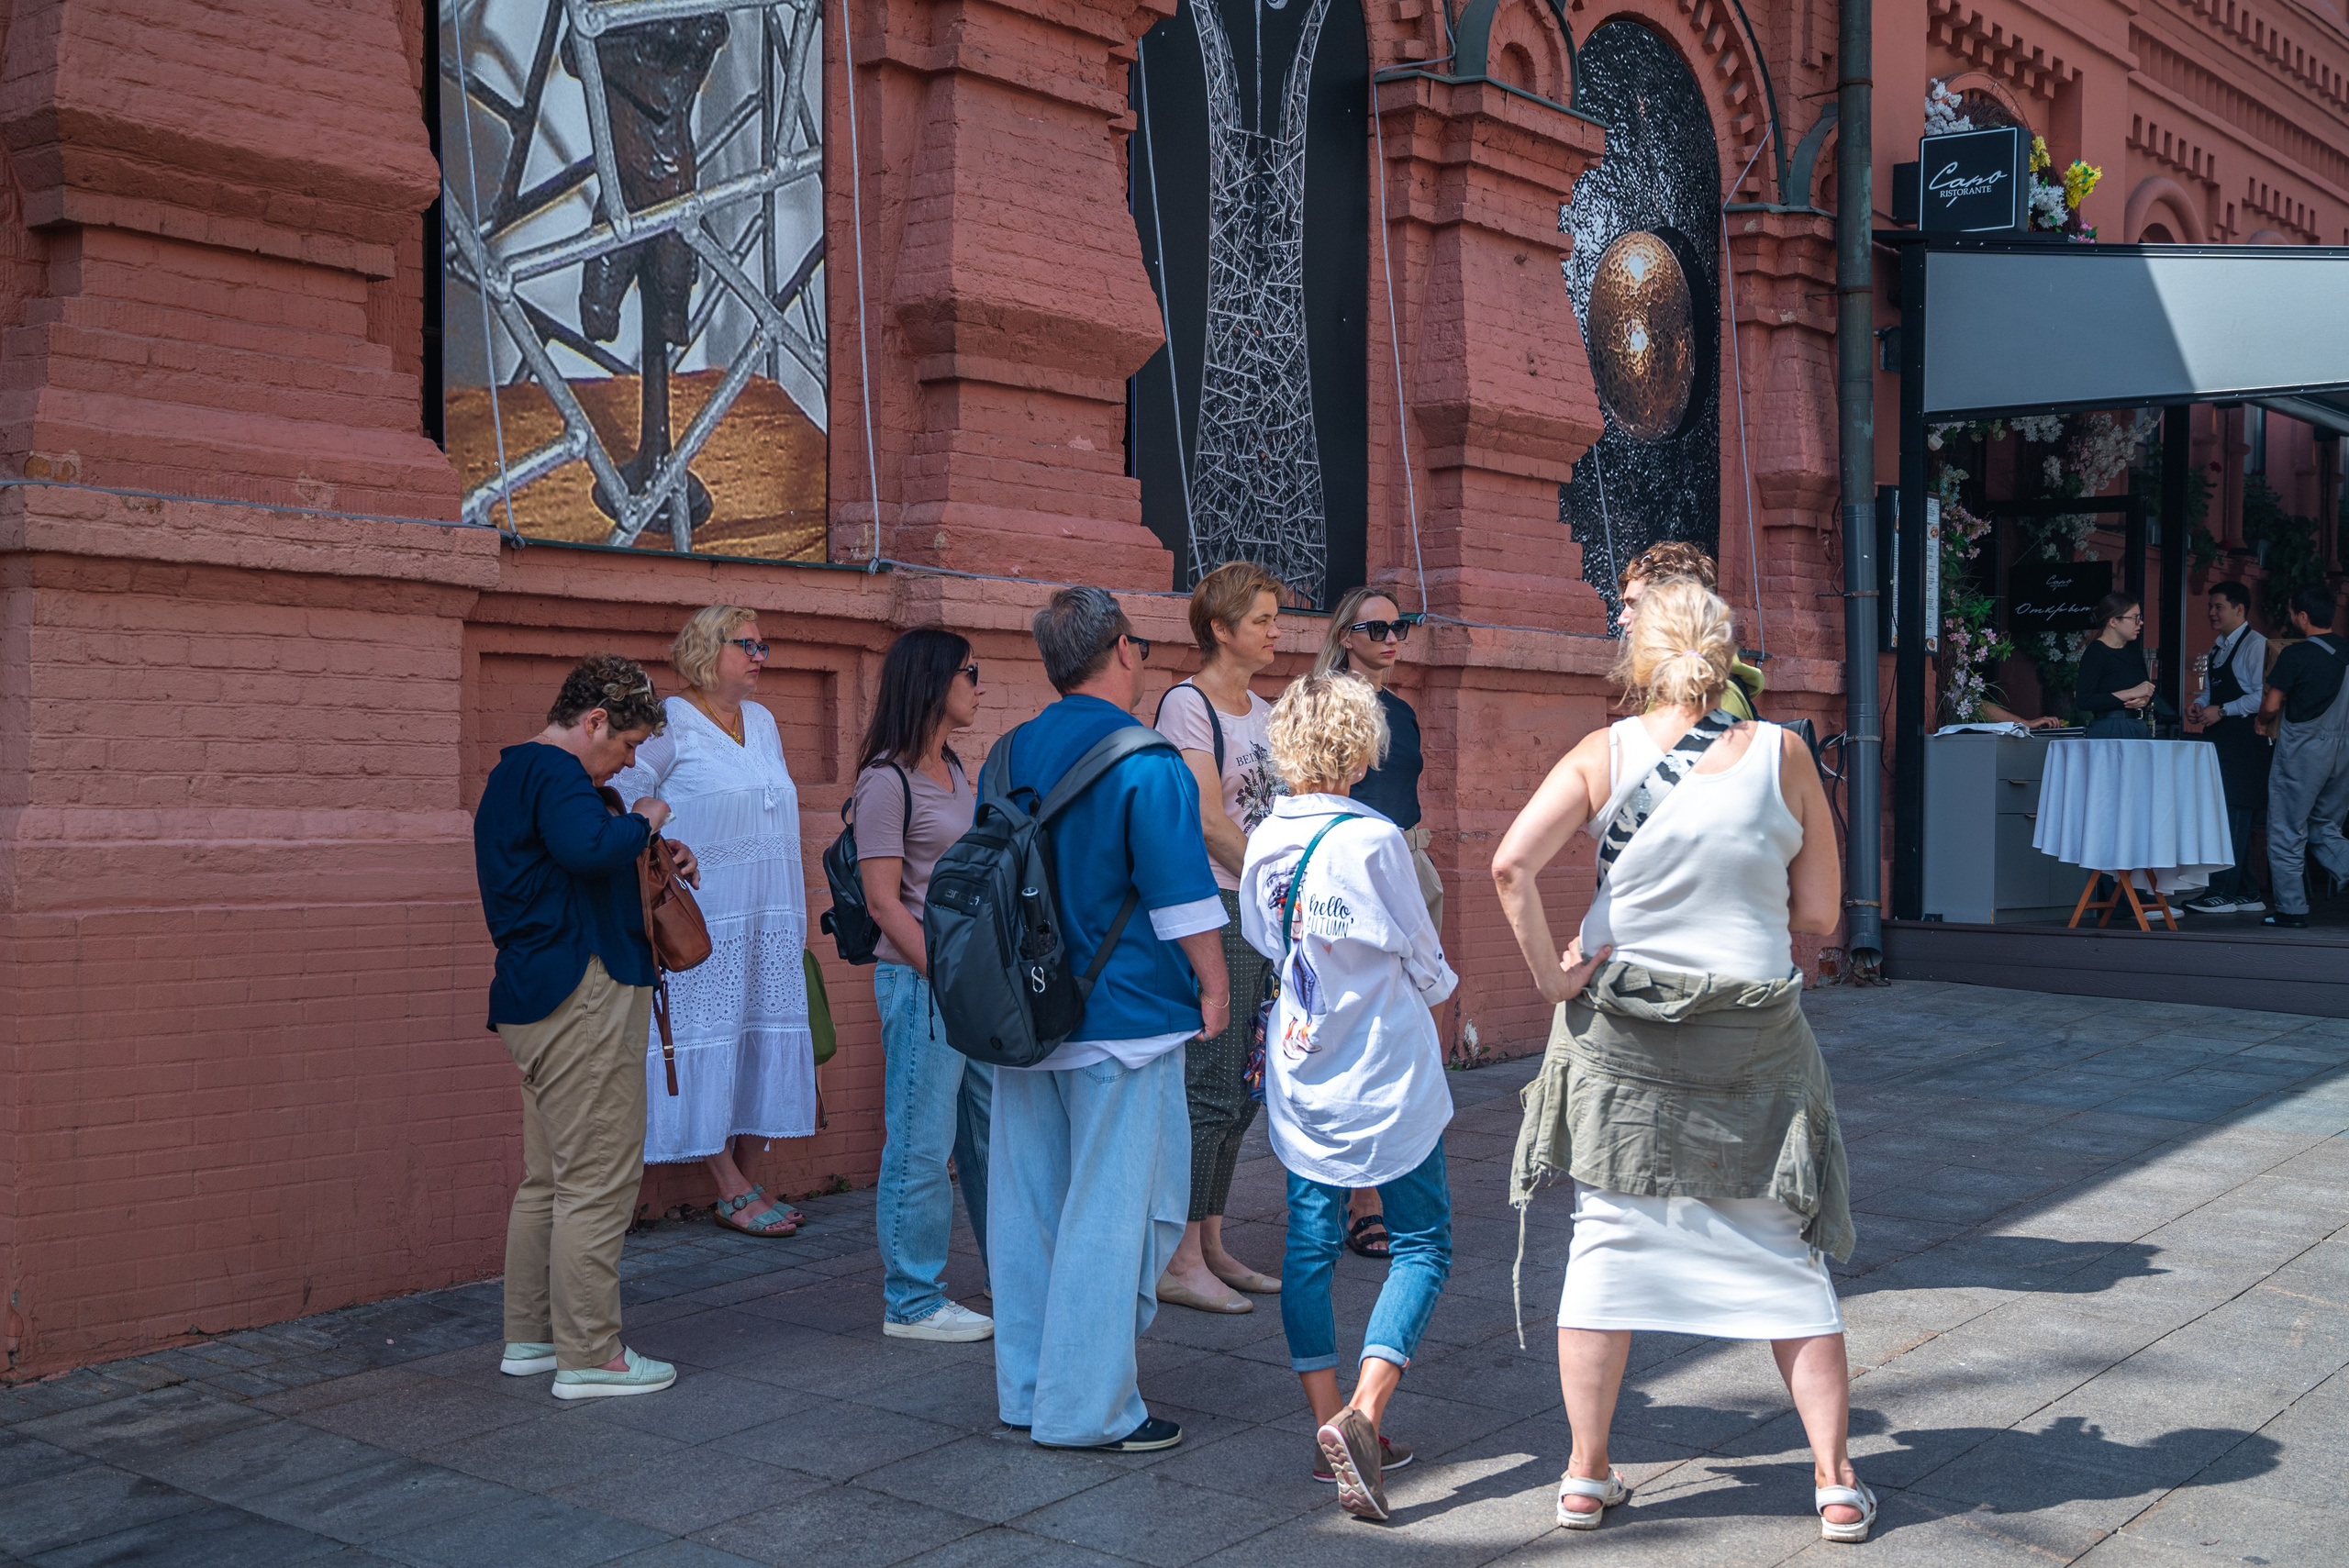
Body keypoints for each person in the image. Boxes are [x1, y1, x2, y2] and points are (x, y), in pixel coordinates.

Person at [1490, 582, 1870, 1542]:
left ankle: (1584, 1475)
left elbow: (1508, 866)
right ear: (1728, 651)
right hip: (1752, 1039)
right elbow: (1821, 915)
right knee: (1787, 1248)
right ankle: (1832, 1480)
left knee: (1606, 1243)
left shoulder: (1599, 752)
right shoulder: (1785, 754)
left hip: (1619, 1036)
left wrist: (1552, 979)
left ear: (1640, 658)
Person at [988, 587, 1230, 1451]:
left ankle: (1028, 1388)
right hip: (1122, 1012)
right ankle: (1088, 1408)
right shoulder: (1147, 756)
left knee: (1027, 1210)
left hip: (1022, 1011)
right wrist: (1216, 986)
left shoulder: (1007, 748)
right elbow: (1181, 892)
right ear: (1123, 650)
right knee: (1110, 1212)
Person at [1241, 674, 1459, 1521]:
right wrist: (1438, 987)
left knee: (1309, 1245)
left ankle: (1324, 1421)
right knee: (1422, 1241)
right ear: (1363, 747)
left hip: (1303, 1063)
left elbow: (1266, 937)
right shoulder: (1376, 841)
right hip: (1382, 1067)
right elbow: (1422, 954)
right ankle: (1365, 1415)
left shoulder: (1267, 837)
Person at [474, 654, 696, 1400]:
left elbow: (573, 866)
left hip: (535, 996)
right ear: (594, 719)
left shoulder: (514, 774)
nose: (629, 761)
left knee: (550, 1179)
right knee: (598, 1181)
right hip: (585, 994)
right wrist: (644, 820)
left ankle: (532, 1336)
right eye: (627, 743)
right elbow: (584, 849)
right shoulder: (561, 775)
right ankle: (592, 1355)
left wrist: (645, 850)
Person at [610, 606, 815, 1240]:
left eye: (764, 645)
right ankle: (726, 1184)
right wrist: (662, 850)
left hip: (770, 913)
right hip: (705, 920)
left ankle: (747, 1180)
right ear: (707, 649)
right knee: (707, 1032)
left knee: (761, 1029)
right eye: (747, 644)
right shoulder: (673, 723)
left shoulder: (763, 721)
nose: (761, 655)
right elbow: (620, 793)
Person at [852, 628, 996, 1341]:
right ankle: (911, 1300)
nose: (979, 682)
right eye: (970, 671)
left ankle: (1014, 1269)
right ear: (934, 681)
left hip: (967, 983)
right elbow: (883, 900)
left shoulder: (954, 768)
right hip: (921, 983)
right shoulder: (887, 780)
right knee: (920, 1138)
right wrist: (945, 976)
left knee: (989, 1135)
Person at [1150, 561, 1286, 1312]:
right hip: (1221, 905)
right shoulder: (1187, 706)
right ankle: (1176, 1257)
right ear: (1221, 628)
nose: (1274, 631)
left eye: (1274, 618)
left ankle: (1211, 1241)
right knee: (1209, 1081)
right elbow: (1206, 819)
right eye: (1262, 619)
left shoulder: (1263, 711)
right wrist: (1272, 886)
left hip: (1258, 906)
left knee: (1242, 1087)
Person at [1311, 586, 1437, 1263]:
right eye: (1378, 628)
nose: (1393, 639)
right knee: (1356, 1036)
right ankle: (1360, 1197)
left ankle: (1374, 1183)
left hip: (1406, 863)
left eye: (1402, 626)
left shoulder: (1403, 711)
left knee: (1397, 1036)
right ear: (1347, 636)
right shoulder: (1327, 704)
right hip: (1351, 875)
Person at [2259, 586, 2349, 929]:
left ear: (2303, 618)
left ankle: (2291, 910)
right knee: (2324, 826)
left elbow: (2270, 706)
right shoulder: (2346, 650)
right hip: (2344, 751)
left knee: (2287, 829)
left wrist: (2260, 722)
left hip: (2305, 750)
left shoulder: (2295, 655)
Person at [2184, 583, 2271, 915]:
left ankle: (2220, 891)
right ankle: (2247, 891)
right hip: (2222, 740)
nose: (2211, 612)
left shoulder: (2256, 646)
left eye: (2218, 606)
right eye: (2210, 606)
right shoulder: (2218, 646)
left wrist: (2220, 710)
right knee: (2231, 815)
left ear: (2239, 609)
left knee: (2235, 814)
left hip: (2247, 742)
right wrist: (2200, 703)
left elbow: (2261, 696)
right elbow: (2211, 690)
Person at [1617, 541, 1762, 720]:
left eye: (1635, 604)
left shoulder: (1719, 696)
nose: (1621, 619)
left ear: (1677, 608)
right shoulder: (1678, 687)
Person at [2075, 595, 2155, 738]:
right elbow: (2084, 700)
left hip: (2138, 725)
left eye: (2140, 617)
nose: (2140, 622)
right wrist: (2130, 693)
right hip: (2109, 727)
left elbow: (2146, 688)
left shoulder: (2133, 650)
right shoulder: (2096, 652)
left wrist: (2145, 699)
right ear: (2113, 622)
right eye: (2134, 617)